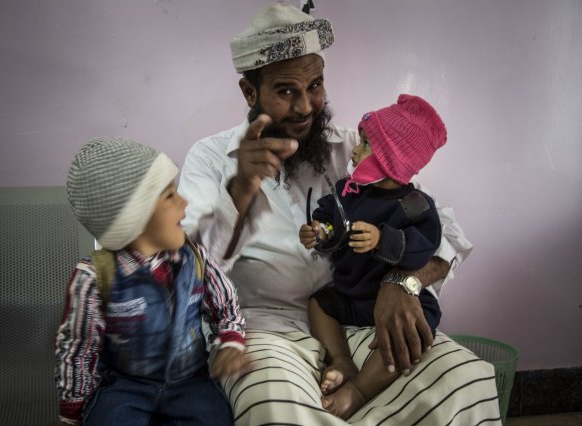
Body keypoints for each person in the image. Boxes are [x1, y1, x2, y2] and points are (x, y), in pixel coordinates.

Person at [179, 3, 501, 425]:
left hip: (362, 317)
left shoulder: (359, 151)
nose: (305, 107)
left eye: (315, 85)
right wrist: (238, 192)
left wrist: (401, 282)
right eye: (286, 91)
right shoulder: (211, 158)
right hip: (267, 332)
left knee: (467, 377)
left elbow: (445, 231)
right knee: (275, 409)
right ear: (249, 92)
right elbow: (188, 268)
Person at [54, 137, 247, 426]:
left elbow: (226, 307)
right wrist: (72, 410)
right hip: (125, 387)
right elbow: (80, 348)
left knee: (217, 419)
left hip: (190, 382)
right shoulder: (94, 277)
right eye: (170, 195)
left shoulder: (196, 258)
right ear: (134, 217)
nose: (184, 201)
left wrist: (231, 343)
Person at [299, 94, 447, 419]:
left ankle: (360, 389)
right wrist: (320, 231)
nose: (354, 150)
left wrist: (384, 239)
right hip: (351, 293)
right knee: (319, 303)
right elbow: (328, 215)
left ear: (391, 159)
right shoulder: (348, 192)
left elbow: (427, 242)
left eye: (365, 144)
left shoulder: (412, 203)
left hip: (392, 301)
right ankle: (340, 360)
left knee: (410, 335)